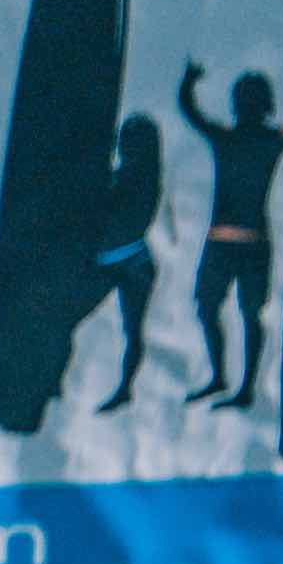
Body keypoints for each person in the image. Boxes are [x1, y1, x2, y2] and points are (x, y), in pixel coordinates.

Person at [172, 60, 283, 407]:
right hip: (251, 243)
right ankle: (237, 385)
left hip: (225, 243)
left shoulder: (226, 138)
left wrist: (189, 80)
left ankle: (227, 381)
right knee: (246, 314)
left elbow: (189, 111)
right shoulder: (272, 138)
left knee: (214, 308)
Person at [86, 112, 171, 413]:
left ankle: (124, 389)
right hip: (129, 261)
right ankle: (124, 388)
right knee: (131, 330)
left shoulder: (137, 178)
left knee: (132, 330)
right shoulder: (135, 176)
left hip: (129, 262)